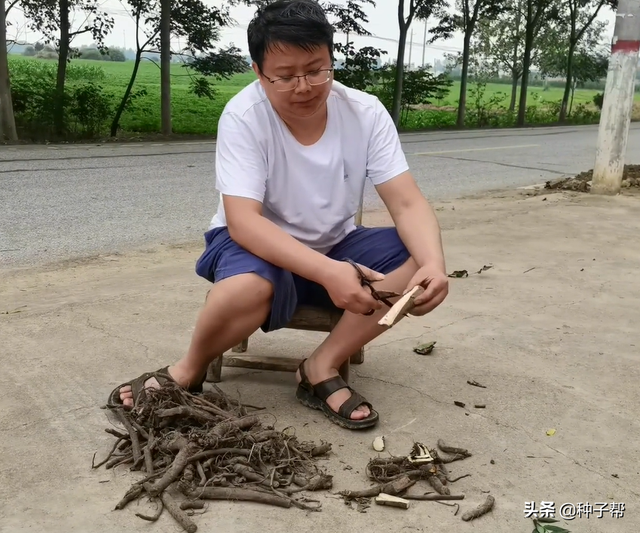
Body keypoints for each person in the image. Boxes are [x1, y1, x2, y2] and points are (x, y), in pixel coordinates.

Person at [108, 0, 449, 430]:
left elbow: (407, 202)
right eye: (285, 76)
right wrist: (328, 272)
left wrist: (434, 266)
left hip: (336, 244)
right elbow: (244, 221)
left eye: (316, 69)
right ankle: (186, 371)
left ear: (331, 58)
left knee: (419, 259)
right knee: (247, 289)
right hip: (254, 245)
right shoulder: (245, 116)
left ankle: (320, 367)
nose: (304, 86)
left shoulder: (364, 112)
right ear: (258, 71)